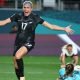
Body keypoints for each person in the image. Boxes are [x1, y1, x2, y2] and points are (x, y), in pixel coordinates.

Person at [0, 1, 73, 80]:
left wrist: (64, 28)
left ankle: (22, 78)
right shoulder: (17, 16)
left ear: (31, 9)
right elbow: (3, 22)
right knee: (16, 65)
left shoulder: (36, 17)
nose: (26, 9)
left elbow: (51, 26)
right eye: (24, 7)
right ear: (22, 8)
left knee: (18, 56)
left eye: (28, 7)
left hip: (29, 42)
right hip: (17, 43)